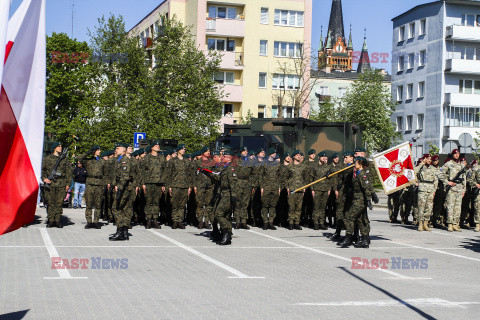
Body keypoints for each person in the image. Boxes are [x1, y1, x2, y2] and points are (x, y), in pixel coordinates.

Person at [339, 157, 373, 248]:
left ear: (360, 164)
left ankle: (348, 239)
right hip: (357, 198)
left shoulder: (362, 174)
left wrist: (369, 200)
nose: (354, 164)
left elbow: (367, 188)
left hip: (360, 200)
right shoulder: (358, 173)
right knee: (361, 219)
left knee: (349, 217)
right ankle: (365, 240)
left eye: (356, 163)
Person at [41, 142, 71, 228]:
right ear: (54, 148)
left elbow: (69, 173)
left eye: (61, 146)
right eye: (59, 146)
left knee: (59, 203)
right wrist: (44, 178)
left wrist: (68, 184)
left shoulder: (64, 159)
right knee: (50, 203)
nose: (60, 147)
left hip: (61, 184)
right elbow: (43, 170)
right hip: (50, 184)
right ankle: (51, 221)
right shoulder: (47, 159)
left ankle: (57, 221)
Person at [109, 143, 135, 241]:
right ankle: (124, 233)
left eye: (118, 148)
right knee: (124, 209)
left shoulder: (124, 161)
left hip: (123, 189)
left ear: (123, 150)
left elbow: (125, 176)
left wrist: (119, 188)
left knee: (116, 208)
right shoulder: (119, 160)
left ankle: (120, 231)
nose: (116, 150)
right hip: (122, 187)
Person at [78, 145, 107, 229]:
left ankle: (96, 222)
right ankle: (89, 222)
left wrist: (104, 184)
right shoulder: (88, 161)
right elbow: (79, 158)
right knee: (89, 205)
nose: (99, 151)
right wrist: (88, 152)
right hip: (90, 183)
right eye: (98, 150)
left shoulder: (103, 161)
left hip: (99, 184)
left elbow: (106, 173)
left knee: (98, 205)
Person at [165, 144, 192, 229]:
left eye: (184, 149)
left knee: (182, 205)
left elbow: (189, 175)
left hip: (184, 185)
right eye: (182, 149)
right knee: (175, 204)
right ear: (178, 150)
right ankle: (175, 221)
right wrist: (169, 186)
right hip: (175, 185)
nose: (184, 150)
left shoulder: (187, 161)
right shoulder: (172, 161)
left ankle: (180, 221)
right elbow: (169, 174)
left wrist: (189, 186)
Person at [141, 141, 165, 229]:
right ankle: (148, 220)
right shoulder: (146, 158)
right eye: (156, 145)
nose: (158, 147)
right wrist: (143, 183)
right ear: (152, 148)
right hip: (148, 183)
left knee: (156, 202)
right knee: (148, 202)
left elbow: (164, 171)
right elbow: (142, 171)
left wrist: (163, 184)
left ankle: (155, 220)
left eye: (158, 145)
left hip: (158, 183)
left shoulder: (162, 158)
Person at [442, 149, 466, 232]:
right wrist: (447, 182)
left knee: (458, 207)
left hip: (459, 187)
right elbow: (440, 173)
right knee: (450, 206)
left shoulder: (462, 165)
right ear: (452, 155)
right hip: (451, 188)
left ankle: (456, 224)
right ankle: (450, 224)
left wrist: (464, 189)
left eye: (458, 154)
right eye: (455, 154)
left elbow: (464, 178)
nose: (457, 155)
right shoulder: (448, 164)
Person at [415, 154, 438, 232]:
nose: (429, 160)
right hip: (422, 188)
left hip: (431, 189)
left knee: (429, 207)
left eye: (430, 159)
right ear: (424, 159)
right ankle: (420, 224)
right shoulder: (420, 167)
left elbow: (436, 180)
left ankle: (426, 223)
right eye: (428, 158)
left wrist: (434, 190)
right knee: (421, 206)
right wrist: (421, 164)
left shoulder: (433, 168)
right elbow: (414, 172)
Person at [287, 150, 307, 230]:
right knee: (291, 207)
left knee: (299, 207)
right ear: (294, 156)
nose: (299, 156)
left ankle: (297, 223)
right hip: (292, 189)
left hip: (300, 189)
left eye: (300, 155)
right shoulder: (289, 166)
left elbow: (305, 178)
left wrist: (304, 187)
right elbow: (286, 178)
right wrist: (287, 187)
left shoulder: (303, 167)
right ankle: (291, 223)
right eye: (297, 155)